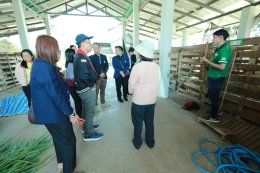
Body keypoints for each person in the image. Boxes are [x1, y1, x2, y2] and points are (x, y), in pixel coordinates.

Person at [30, 35, 79, 173]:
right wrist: (71, 113)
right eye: (56, 48)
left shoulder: (41, 64)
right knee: (69, 142)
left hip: (50, 114)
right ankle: (68, 169)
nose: (58, 51)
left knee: (59, 140)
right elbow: (56, 94)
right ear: (49, 48)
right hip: (55, 115)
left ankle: (62, 164)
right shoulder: (44, 66)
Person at [128, 40, 160, 150]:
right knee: (149, 122)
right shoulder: (156, 66)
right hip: (152, 101)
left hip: (139, 102)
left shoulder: (137, 67)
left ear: (141, 54)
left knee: (138, 123)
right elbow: (158, 82)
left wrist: (131, 92)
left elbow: (131, 86)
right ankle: (150, 142)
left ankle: (137, 142)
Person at [74, 34, 103, 141]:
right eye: (89, 42)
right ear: (82, 43)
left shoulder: (81, 55)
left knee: (85, 109)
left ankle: (86, 127)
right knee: (90, 111)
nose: (90, 44)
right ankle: (88, 134)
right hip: (86, 89)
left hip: (82, 89)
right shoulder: (81, 57)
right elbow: (83, 76)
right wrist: (92, 85)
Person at [201, 29, 232, 123]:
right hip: (213, 76)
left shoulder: (225, 50)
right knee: (212, 96)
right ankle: (215, 112)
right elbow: (215, 63)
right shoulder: (219, 48)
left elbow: (222, 67)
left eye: (214, 37)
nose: (212, 39)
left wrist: (207, 61)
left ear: (221, 37)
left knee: (213, 97)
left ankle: (214, 117)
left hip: (217, 77)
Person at [89, 43, 110, 110]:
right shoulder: (91, 57)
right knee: (96, 92)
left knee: (103, 91)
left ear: (99, 48)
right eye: (93, 48)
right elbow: (91, 69)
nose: (94, 49)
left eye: (96, 48)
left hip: (104, 77)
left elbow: (107, 66)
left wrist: (104, 73)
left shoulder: (104, 56)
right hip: (96, 78)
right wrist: (98, 74)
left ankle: (103, 103)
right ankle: (95, 106)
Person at [65, 48, 82, 118]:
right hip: (73, 86)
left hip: (72, 85)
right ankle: (80, 118)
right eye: (74, 53)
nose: (75, 55)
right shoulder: (70, 64)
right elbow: (72, 77)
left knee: (78, 102)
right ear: (72, 55)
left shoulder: (69, 63)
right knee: (78, 102)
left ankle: (80, 117)